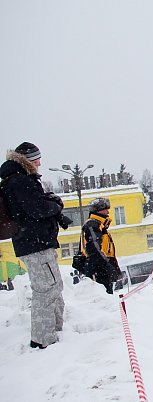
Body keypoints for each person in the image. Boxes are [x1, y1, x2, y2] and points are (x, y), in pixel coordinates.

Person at [0, 142, 66, 349]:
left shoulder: (17, 179)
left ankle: (55, 329)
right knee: (46, 290)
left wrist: (48, 201)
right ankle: (42, 339)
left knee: (53, 286)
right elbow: (36, 209)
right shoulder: (20, 181)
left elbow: (32, 205)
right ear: (26, 160)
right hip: (35, 243)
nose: (39, 163)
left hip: (35, 242)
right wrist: (55, 205)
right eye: (36, 159)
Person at [81, 198, 120, 294]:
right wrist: (107, 266)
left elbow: (106, 250)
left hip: (101, 268)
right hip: (98, 269)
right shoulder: (92, 224)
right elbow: (94, 249)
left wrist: (114, 266)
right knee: (103, 297)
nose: (108, 212)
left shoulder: (100, 225)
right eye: (105, 209)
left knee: (107, 296)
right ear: (98, 211)